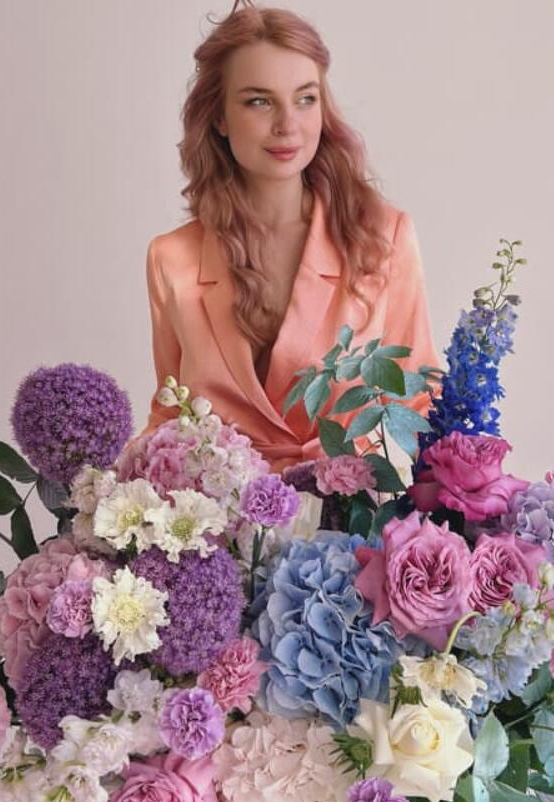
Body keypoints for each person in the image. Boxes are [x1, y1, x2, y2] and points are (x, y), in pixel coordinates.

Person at [139, 1, 441, 474]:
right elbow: (171, 417)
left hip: (355, 507)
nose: (288, 125)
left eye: (305, 99)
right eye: (259, 101)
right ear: (219, 117)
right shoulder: (171, 259)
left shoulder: (383, 237)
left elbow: (419, 399)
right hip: (221, 513)